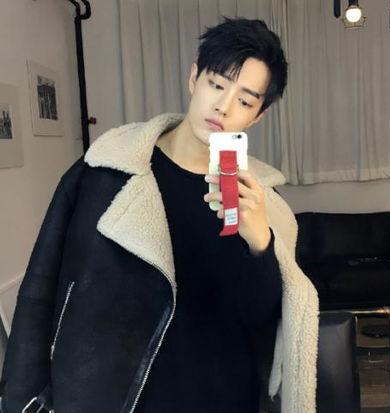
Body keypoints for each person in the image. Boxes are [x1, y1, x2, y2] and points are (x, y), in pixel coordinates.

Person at [0, 16, 319, 413]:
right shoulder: (106, 172)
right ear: (194, 78)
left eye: (244, 100)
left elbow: (263, 324)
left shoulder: (262, 201)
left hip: (225, 397)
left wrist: (260, 244)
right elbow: (41, 288)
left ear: (258, 115)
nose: (223, 106)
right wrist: (24, 397)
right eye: (217, 84)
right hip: (123, 398)